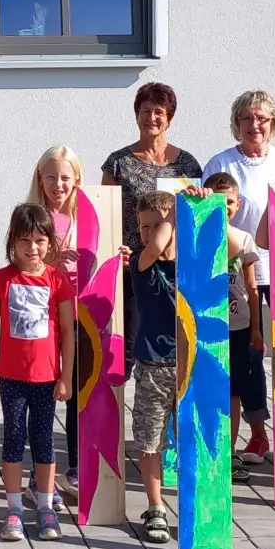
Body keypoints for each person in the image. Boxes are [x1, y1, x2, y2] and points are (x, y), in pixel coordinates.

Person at [204, 90, 275, 462]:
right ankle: (254, 434)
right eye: (248, 118)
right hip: (234, 273)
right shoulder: (222, 163)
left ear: (273, 123)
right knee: (245, 355)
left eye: (262, 118)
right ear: (237, 123)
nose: (255, 126)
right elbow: (206, 211)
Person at [0, 203, 75, 542]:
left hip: (47, 377)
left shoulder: (58, 281)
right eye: (25, 240)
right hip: (11, 375)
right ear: (13, 242)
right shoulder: (1, 279)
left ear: (50, 242)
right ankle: (12, 509)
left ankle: (46, 506)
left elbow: (67, 330)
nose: (32, 248)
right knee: (12, 438)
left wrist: (66, 376)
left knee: (43, 441)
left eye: (39, 240)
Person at [100, 83, 204, 362]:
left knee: (173, 348)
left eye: (159, 111)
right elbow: (104, 214)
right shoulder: (118, 163)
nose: (151, 118)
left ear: (169, 117)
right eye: (145, 111)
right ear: (136, 115)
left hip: (174, 272)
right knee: (126, 349)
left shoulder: (188, 165)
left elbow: (195, 216)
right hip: (133, 269)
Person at [25, 145, 82, 507]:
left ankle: (75, 470)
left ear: (76, 179)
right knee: (43, 398)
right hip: (41, 319)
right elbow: (17, 261)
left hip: (78, 317)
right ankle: (38, 477)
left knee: (76, 394)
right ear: (40, 180)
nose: (58, 184)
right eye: (51, 177)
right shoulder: (33, 217)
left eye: (65, 177)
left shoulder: (86, 217)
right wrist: (52, 259)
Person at [205, 173, 267, 472]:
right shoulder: (199, 234)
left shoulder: (243, 238)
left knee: (233, 391)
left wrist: (256, 328)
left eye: (228, 201)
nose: (224, 206)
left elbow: (253, 289)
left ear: (238, 204)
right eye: (217, 200)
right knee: (209, 386)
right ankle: (209, 447)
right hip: (207, 326)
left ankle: (228, 451)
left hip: (239, 327)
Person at [129, 191, 178, 542]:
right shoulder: (141, 263)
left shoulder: (194, 260)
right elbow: (154, 248)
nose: (149, 233)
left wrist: (207, 205)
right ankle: (156, 505)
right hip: (153, 367)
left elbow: (242, 244)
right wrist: (174, 214)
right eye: (143, 227)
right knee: (150, 440)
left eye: (156, 226)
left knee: (193, 439)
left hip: (191, 367)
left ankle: (196, 500)